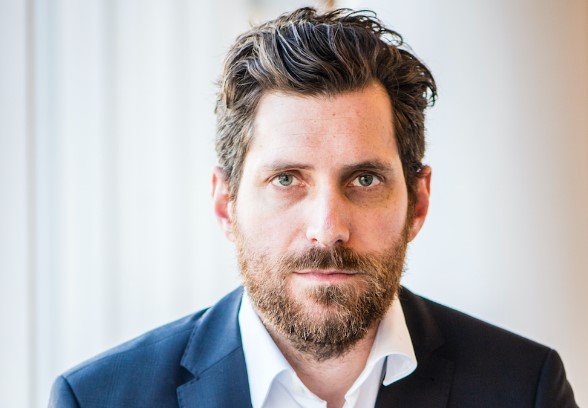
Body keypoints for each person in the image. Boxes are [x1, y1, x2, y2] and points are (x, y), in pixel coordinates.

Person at [49, 7, 577, 407]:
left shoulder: (524, 389)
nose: (327, 229)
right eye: (286, 180)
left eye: (364, 179)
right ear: (226, 203)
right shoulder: (97, 400)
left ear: (418, 202)